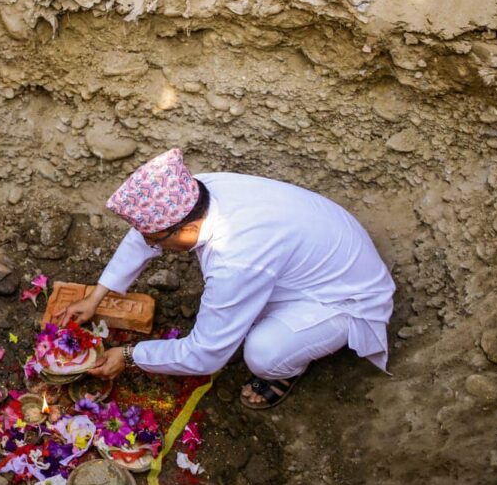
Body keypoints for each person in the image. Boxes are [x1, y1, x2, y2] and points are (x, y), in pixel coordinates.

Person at [56, 149, 395, 409]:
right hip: (316, 258)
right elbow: (142, 235)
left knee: (263, 353)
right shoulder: (194, 192)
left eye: (156, 242)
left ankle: (286, 369)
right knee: (234, 309)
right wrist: (97, 296)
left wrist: (129, 355)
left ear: (187, 229)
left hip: (343, 298)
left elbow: (206, 355)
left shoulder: (235, 258)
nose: (151, 246)